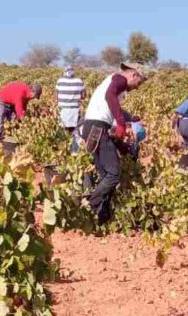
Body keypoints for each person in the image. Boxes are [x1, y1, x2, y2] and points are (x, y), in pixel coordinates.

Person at [78, 61, 148, 224]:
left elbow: (112, 106)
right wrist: (122, 124)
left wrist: (130, 118)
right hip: (97, 128)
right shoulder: (119, 80)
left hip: (92, 128)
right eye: (138, 83)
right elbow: (110, 96)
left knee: (105, 174)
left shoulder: (113, 83)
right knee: (113, 174)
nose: (137, 87)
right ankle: (90, 205)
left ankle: (101, 217)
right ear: (133, 74)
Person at [55, 66, 86, 151]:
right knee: (76, 132)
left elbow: (56, 96)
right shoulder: (79, 81)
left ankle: (62, 151)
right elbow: (83, 96)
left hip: (63, 110)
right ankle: (74, 152)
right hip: (75, 110)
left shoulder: (59, 81)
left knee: (63, 131)